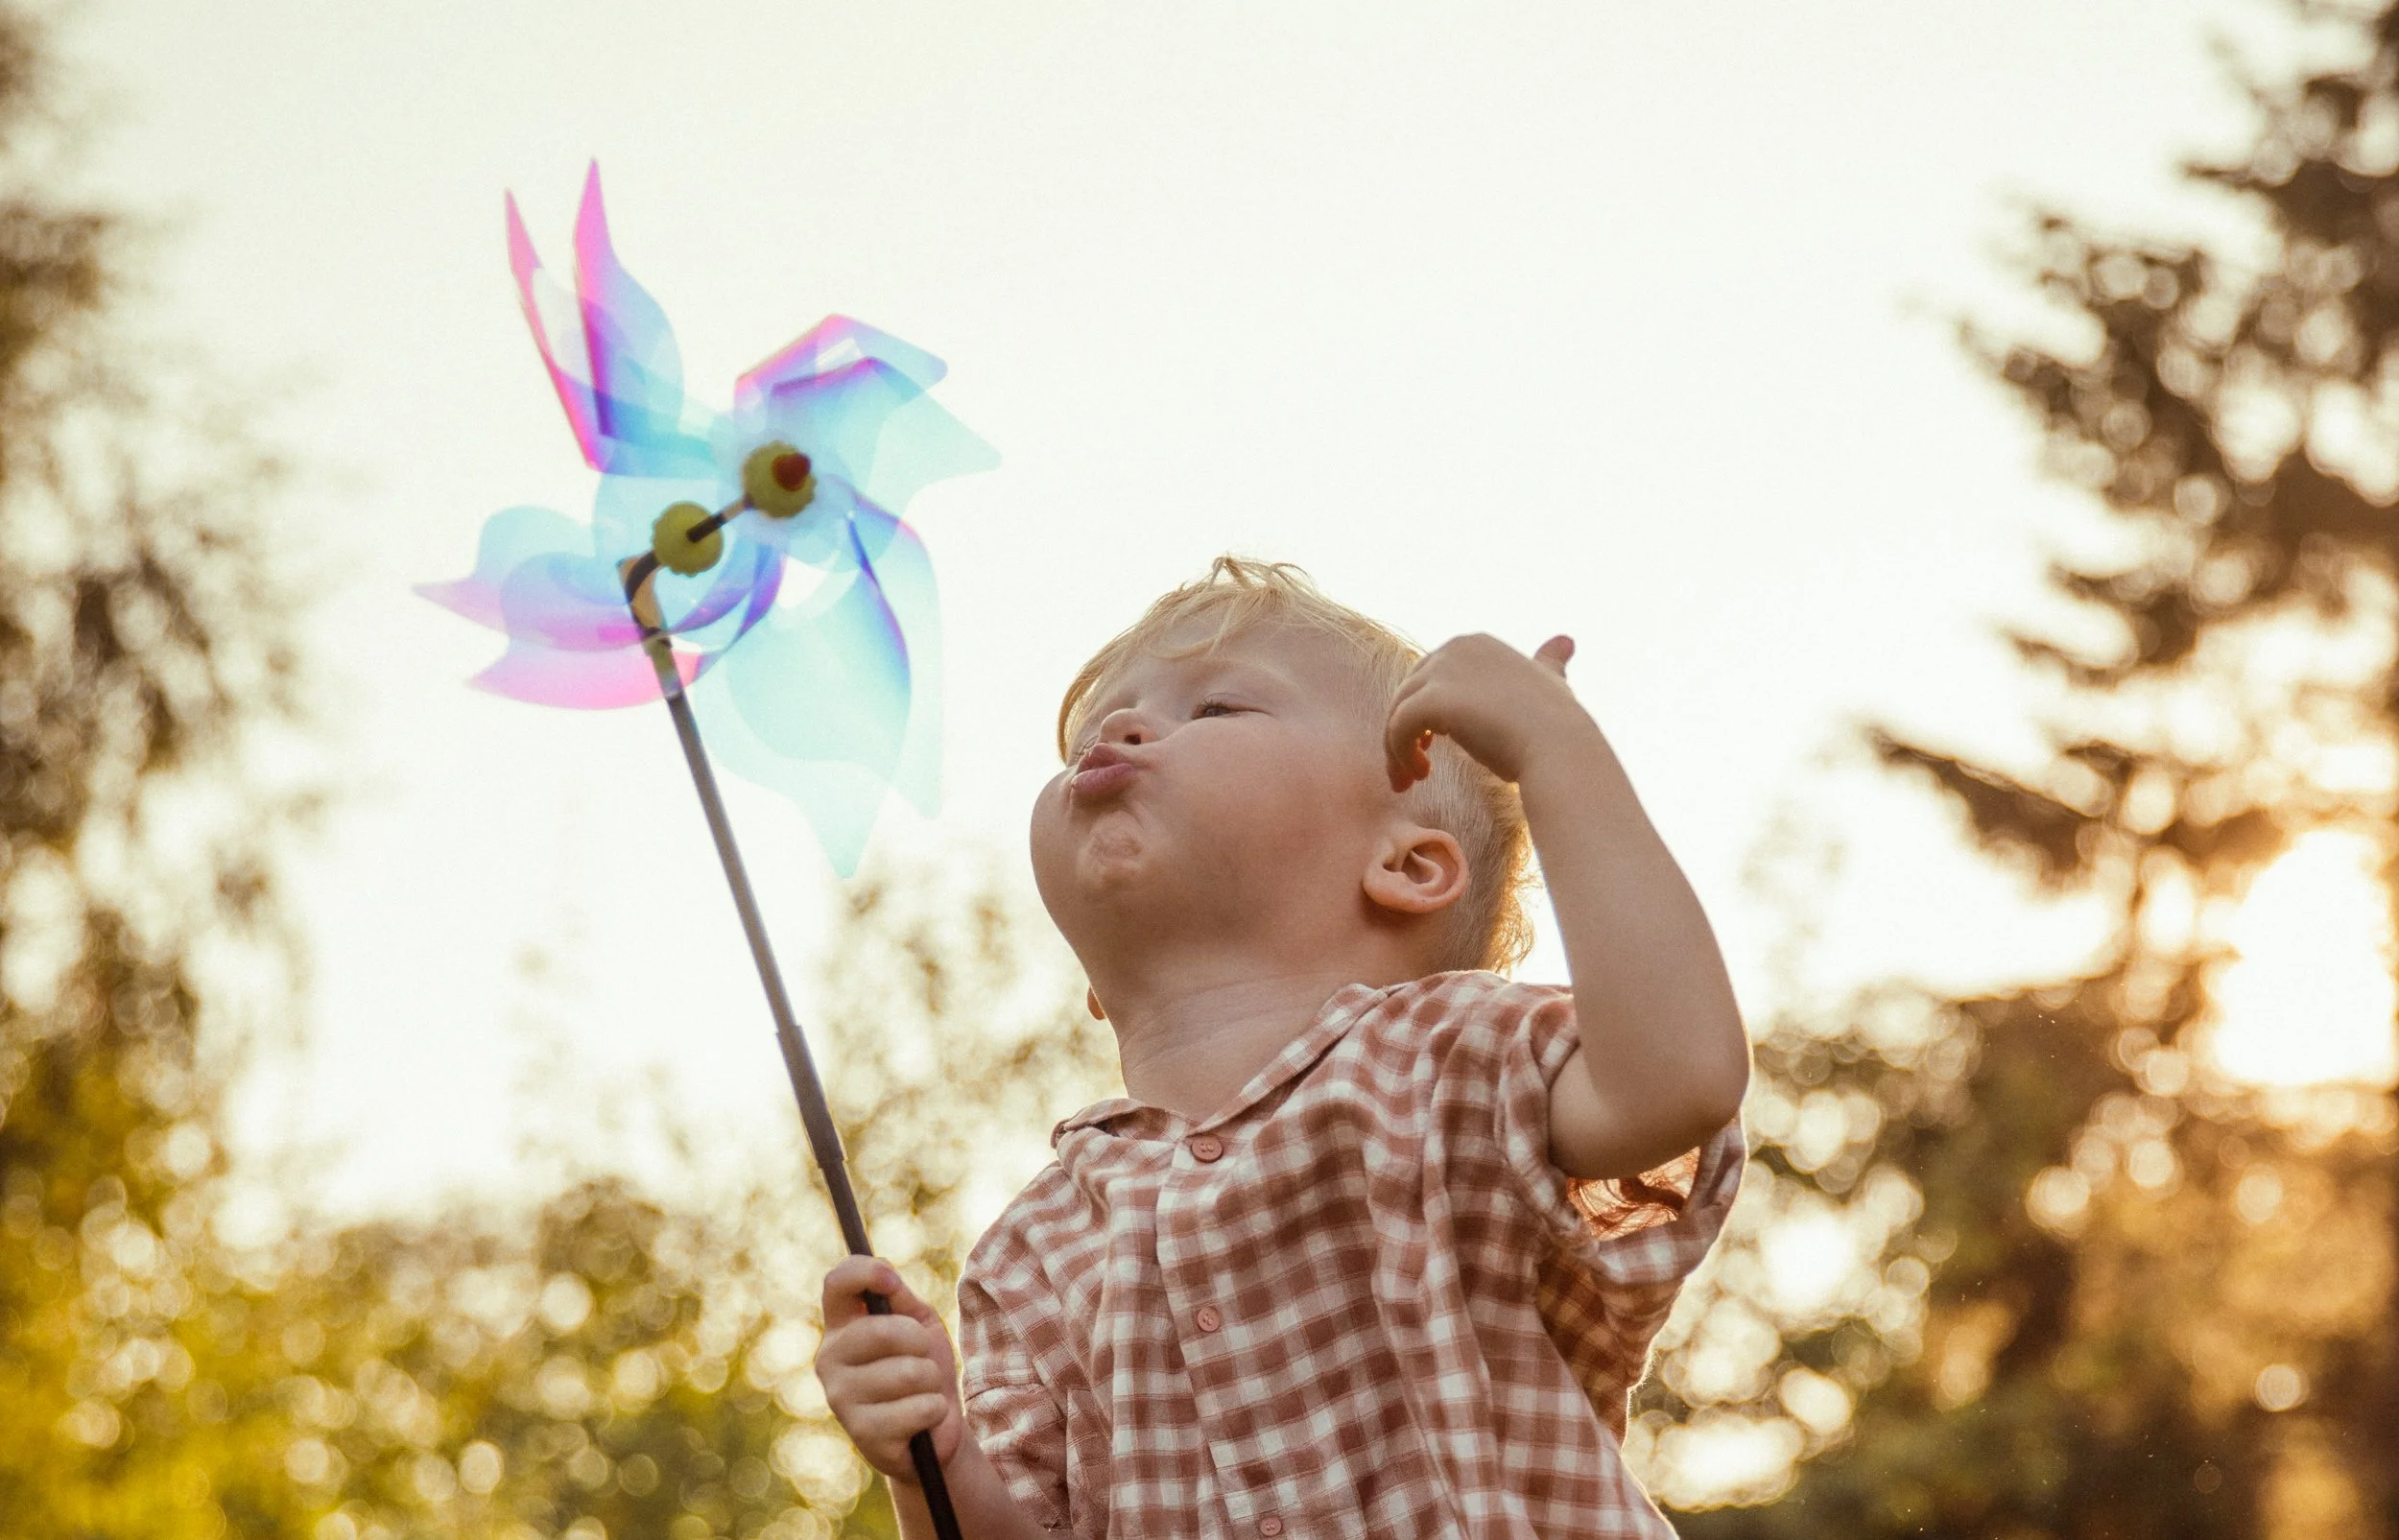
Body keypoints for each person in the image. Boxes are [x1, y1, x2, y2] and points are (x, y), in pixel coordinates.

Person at [816, 557, 1749, 1538]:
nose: (1120, 731)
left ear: (1406, 864)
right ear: (1093, 981)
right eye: (1103, 722)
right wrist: (932, 1458)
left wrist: (1557, 751)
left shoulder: (1449, 1068)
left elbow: (1676, 1078)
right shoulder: (1036, 1249)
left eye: (1214, 708)